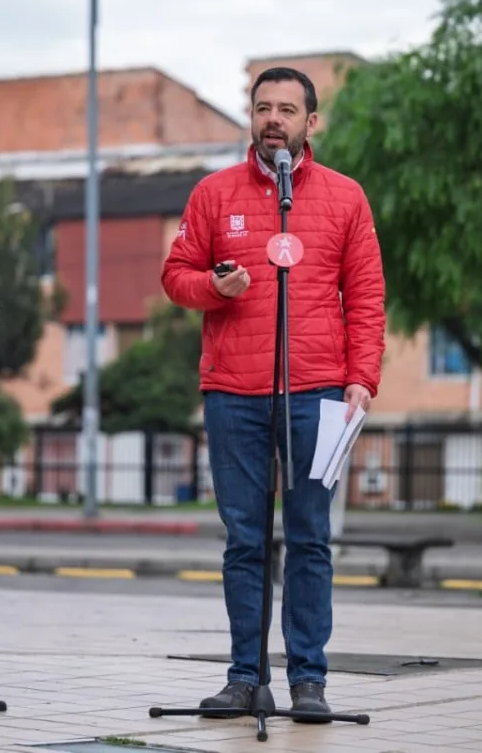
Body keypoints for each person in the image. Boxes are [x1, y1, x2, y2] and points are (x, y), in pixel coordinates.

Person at [160, 66, 386, 719]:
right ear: (251, 117)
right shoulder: (212, 193)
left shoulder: (345, 198)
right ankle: (243, 677)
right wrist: (214, 289)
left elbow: (367, 296)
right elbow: (177, 274)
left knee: (311, 537)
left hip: (320, 396)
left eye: (288, 108)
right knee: (246, 540)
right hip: (234, 392)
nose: (274, 119)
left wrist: (360, 380)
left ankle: (308, 680)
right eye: (263, 107)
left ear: (310, 122)